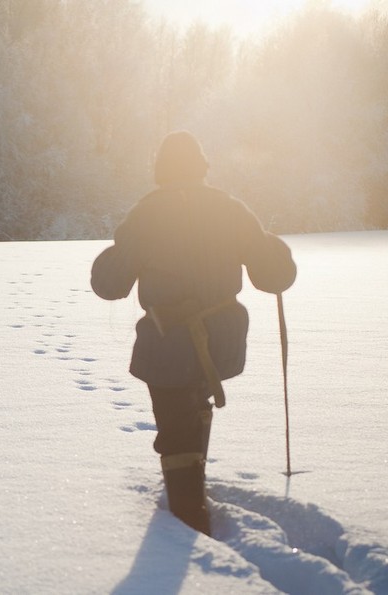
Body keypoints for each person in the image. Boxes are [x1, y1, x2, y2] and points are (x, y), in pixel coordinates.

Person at [90, 131, 296, 535]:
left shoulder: (148, 213)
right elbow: (275, 276)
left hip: (168, 342)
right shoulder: (230, 209)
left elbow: (109, 284)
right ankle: (191, 489)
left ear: (160, 171)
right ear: (202, 168)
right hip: (223, 342)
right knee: (193, 405)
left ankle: (188, 522)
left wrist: (116, 251)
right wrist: (269, 245)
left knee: (175, 426)